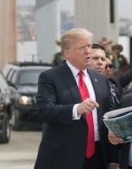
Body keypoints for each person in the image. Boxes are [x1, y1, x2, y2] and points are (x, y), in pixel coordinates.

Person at [34, 28, 114, 169]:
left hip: (97, 157)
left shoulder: (100, 79)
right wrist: (76, 109)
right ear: (67, 53)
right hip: (64, 157)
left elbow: (110, 114)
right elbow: (44, 110)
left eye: (89, 46)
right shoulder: (50, 78)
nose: (88, 51)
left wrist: (114, 158)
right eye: (82, 47)